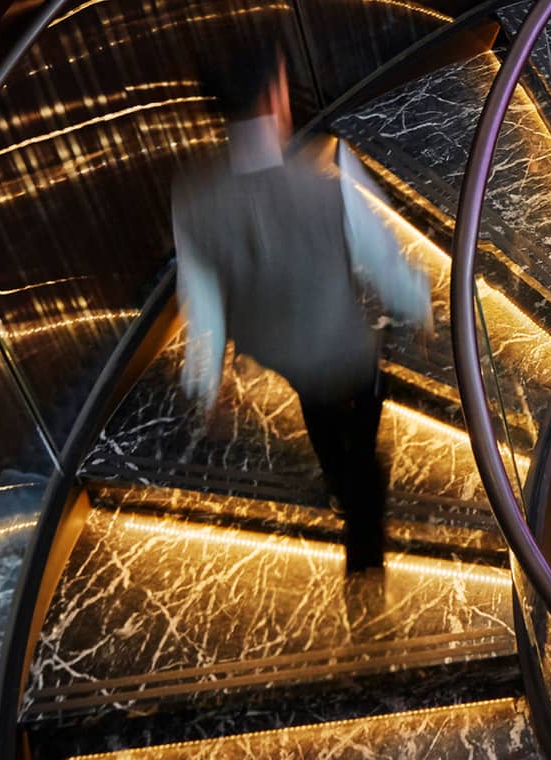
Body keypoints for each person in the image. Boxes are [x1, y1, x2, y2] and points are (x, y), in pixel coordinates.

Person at [172, 34, 431, 579]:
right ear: (275, 99)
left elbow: (202, 304)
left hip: (278, 350)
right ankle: (364, 550)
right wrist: (418, 308)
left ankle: (337, 481)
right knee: (363, 441)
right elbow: (383, 265)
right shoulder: (329, 181)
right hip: (343, 351)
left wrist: (205, 386)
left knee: (315, 408)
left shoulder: (193, 199)